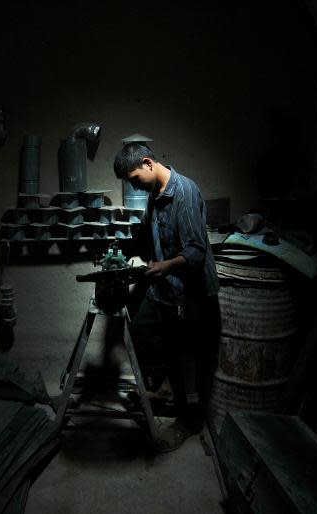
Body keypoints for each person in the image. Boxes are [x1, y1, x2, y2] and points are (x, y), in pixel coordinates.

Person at [113, 141, 220, 452]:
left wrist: (164, 266)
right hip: (168, 288)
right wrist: (120, 252)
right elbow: (146, 232)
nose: (134, 186)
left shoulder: (184, 194)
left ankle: (189, 422)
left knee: (189, 360)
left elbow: (196, 252)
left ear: (148, 163)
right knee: (140, 327)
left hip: (193, 294)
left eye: (134, 179)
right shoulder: (155, 195)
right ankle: (165, 386)